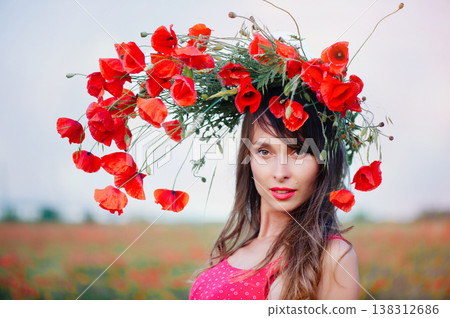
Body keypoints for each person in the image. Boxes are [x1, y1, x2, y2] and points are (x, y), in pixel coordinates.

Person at [189, 87, 360, 300]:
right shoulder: (226, 253)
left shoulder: (331, 255)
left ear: (323, 162)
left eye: (299, 151)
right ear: (248, 159)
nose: (280, 173)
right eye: (264, 152)